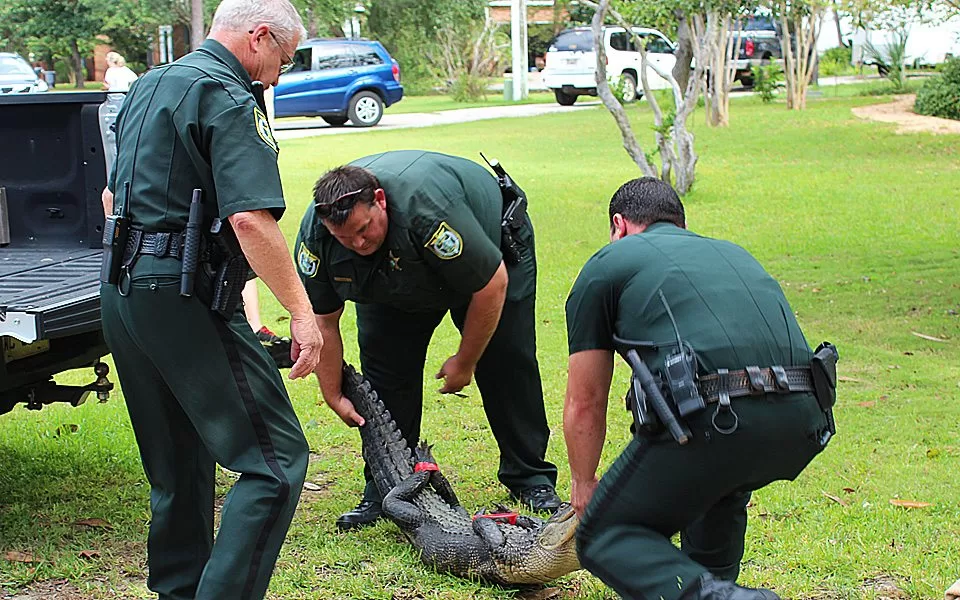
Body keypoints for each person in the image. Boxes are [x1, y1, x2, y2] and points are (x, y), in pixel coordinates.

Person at [98, 1, 321, 598]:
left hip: (121, 290)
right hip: (182, 292)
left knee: (177, 466)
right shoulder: (226, 95)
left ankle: (178, 590)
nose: (278, 74)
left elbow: (107, 197)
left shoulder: (148, 85)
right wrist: (302, 312)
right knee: (275, 465)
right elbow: (249, 218)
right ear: (261, 36)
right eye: (285, 58)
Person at [563, 177, 835, 600]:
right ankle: (720, 586)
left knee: (604, 533)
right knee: (718, 483)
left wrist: (584, 485)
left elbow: (586, 401)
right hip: (805, 417)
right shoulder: (733, 253)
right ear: (678, 222)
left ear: (618, 225)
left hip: (718, 420)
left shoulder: (607, 264)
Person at [295, 150, 560, 530]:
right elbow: (324, 321)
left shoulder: (429, 211)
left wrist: (465, 361)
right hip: (393, 277)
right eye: (344, 237)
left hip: (487, 256)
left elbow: (492, 284)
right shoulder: (317, 237)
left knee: (505, 362)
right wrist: (332, 391)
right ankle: (384, 488)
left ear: (380, 201)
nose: (357, 242)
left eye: (364, 228)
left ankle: (530, 478)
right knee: (386, 377)